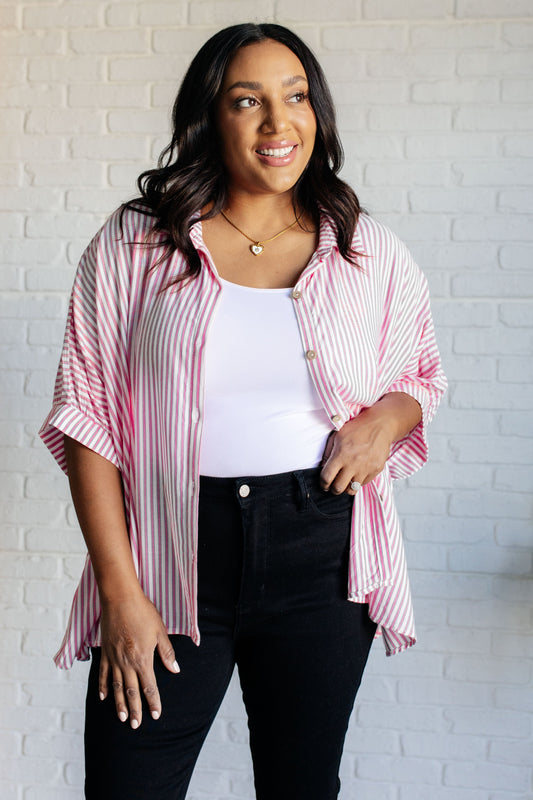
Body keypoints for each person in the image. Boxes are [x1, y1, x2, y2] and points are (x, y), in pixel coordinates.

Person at [40, 22, 446, 800]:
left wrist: (384, 422)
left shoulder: (367, 251)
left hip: (319, 548)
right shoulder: (135, 246)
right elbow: (86, 418)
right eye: (246, 100)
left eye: (294, 97)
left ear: (316, 114)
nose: (275, 122)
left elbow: (420, 374)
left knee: (300, 786)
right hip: (168, 552)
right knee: (129, 784)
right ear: (209, 117)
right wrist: (121, 597)